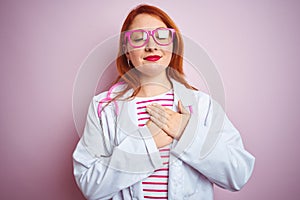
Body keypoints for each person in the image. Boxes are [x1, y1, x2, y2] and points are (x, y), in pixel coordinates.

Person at [73, 4, 255, 200]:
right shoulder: (103, 108)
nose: (151, 46)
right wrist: (146, 144)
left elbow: (238, 173)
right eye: (139, 38)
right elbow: (89, 185)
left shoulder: (203, 105)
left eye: (161, 36)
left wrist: (187, 133)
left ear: (173, 45)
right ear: (126, 51)